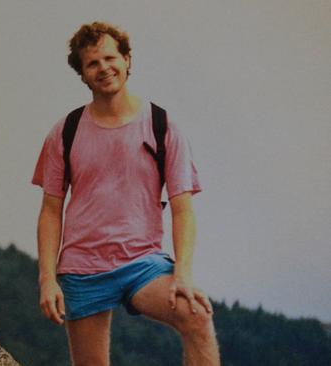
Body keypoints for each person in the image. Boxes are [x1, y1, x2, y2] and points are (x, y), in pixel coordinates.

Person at [32, 22, 220, 366]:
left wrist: (183, 274)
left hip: (142, 263)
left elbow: (182, 209)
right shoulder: (65, 131)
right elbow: (49, 210)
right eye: (93, 64)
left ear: (127, 60)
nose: (104, 68)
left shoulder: (162, 125)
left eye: (110, 58)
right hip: (82, 268)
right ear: (84, 76)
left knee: (196, 315)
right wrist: (47, 280)